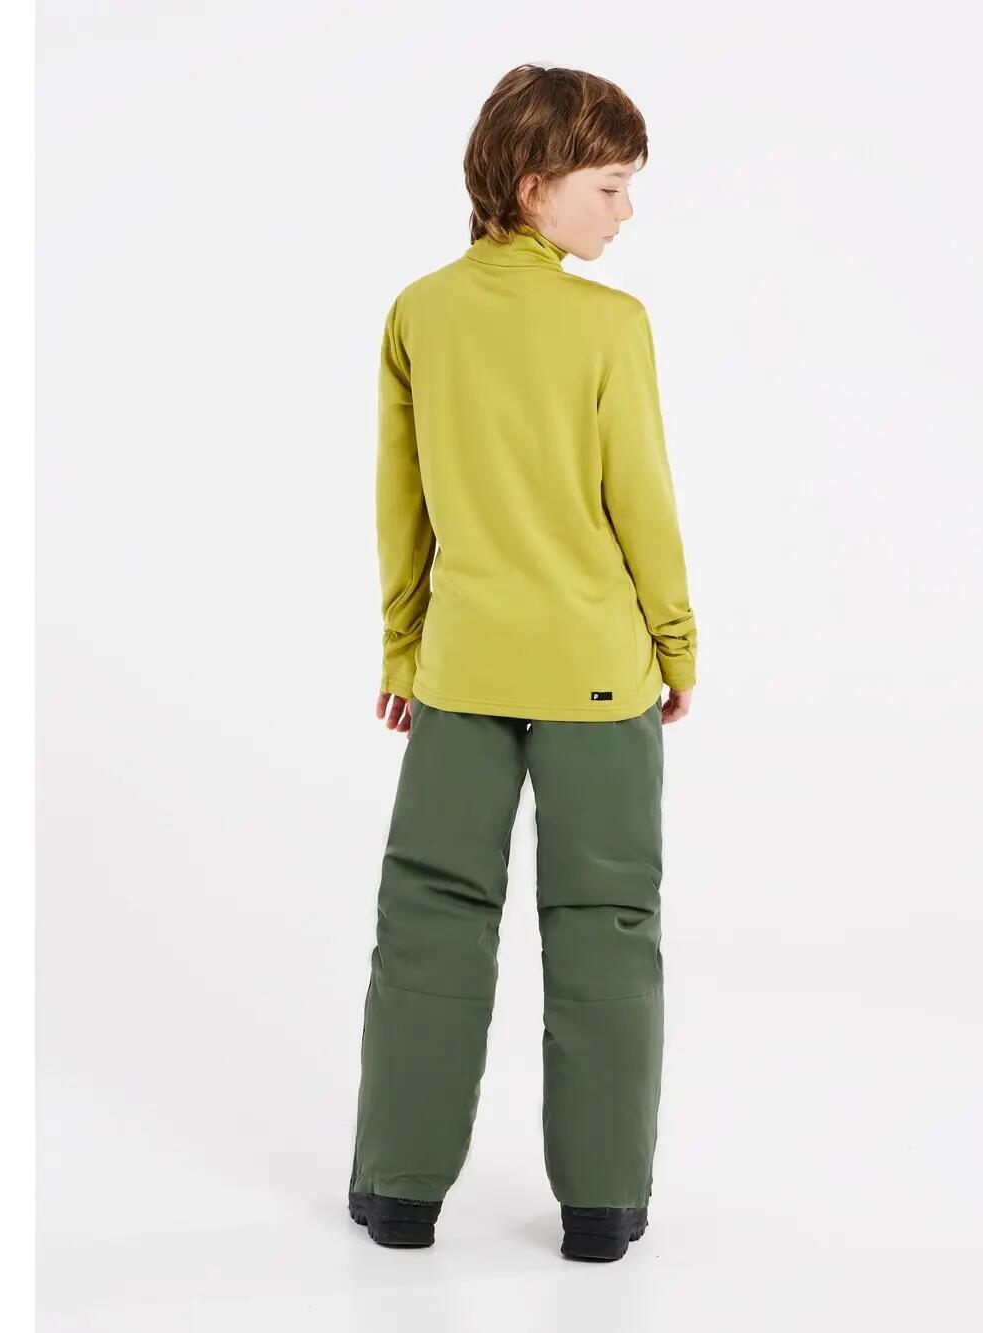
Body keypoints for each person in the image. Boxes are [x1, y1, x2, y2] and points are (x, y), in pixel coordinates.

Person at [347, 63, 698, 1263]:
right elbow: (640, 499)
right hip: (599, 675)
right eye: (610, 186)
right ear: (536, 182)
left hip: (459, 671)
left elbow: (403, 503)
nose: (625, 211)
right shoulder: (610, 325)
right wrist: (675, 642)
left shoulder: (419, 311)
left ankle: (399, 1195)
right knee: (604, 923)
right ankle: (602, 1210)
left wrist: (405, 646)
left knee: (430, 921)